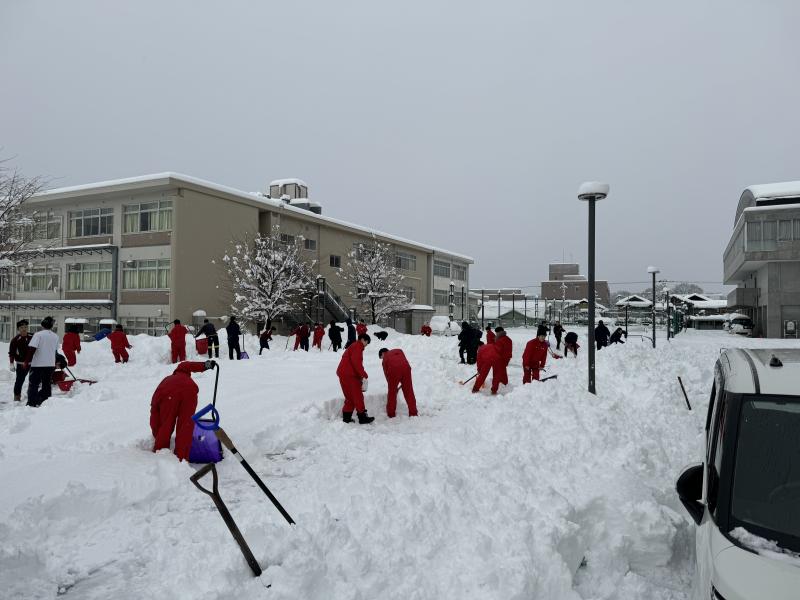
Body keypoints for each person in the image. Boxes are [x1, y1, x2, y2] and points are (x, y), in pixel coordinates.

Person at [150, 359, 217, 461]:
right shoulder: (186, 375)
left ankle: (160, 453)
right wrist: (206, 365)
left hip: (169, 395)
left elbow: (154, 408)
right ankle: (181, 458)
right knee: (186, 425)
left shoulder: (167, 380)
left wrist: (157, 434)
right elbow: (190, 365)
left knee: (166, 424)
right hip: (190, 391)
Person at [336, 333, 374, 424]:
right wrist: (364, 375)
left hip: (343, 373)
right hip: (350, 375)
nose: (366, 345)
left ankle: (347, 418)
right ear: (363, 339)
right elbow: (356, 362)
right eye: (367, 342)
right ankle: (362, 417)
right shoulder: (358, 346)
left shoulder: (353, 346)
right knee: (358, 396)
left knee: (350, 397)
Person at [24, 316, 60, 407]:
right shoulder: (55, 336)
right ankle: (44, 401)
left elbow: (32, 349)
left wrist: (26, 361)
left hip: (38, 364)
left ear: (42, 325)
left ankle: (32, 403)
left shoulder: (38, 335)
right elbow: (55, 351)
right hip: (50, 364)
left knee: (34, 384)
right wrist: (55, 362)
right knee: (46, 384)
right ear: (52, 326)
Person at [379, 348, 418, 418]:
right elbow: (402, 363)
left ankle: (391, 414)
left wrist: (393, 387)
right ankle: (413, 412)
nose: (382, 359)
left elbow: (387, 375)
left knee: (392, 393)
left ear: (382, 354)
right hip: (406, 368)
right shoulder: (399, 350)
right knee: (409, 391)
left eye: (381, 357)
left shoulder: (385, 359)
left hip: (393, 370)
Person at [8, 319, 33, 402]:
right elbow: (11, 353)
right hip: (21, 364)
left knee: (33, 380)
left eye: (25, 327)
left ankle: (31, 393)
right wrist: (11, 363)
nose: (24, 329)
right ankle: (17, 396)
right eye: (22, 327)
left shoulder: (32, 337)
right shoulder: (15, 340)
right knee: (19, 380)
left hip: (33, 363)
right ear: (18, 329)